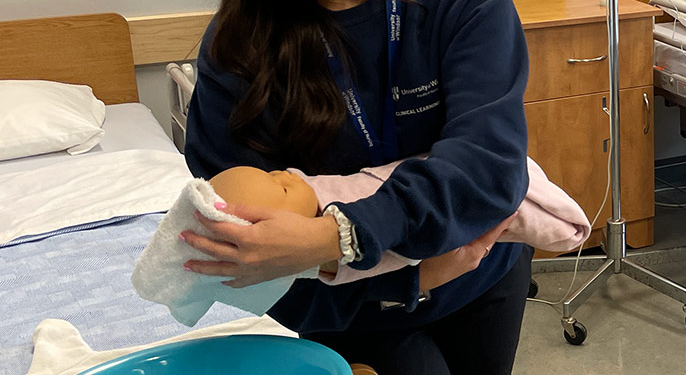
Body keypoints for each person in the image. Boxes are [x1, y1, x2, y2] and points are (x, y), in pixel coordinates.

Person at [182, 0, 533, 375]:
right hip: (347, 314)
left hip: (476, 276)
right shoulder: (238, 46)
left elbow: (488, 168)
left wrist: (331, 236)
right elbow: (233, 231)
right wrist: (402, 278)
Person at [207, 156, 589, 285]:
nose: (285, 174)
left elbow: (490, 153)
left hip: (490, 270)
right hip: (384, 315)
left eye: (273, 172)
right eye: (281, 187)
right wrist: (422, 279)